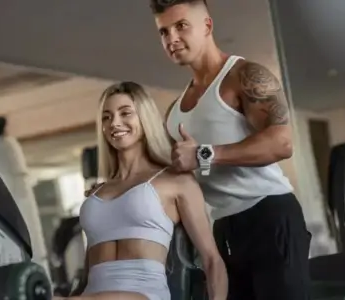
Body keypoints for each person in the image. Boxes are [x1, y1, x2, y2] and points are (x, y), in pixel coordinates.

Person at [148, 1, 312, 299]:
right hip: (223, 227)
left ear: (207, 26)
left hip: (270, 215)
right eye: (163, 31)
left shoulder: (245, 75)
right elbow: (170, 174)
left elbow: (281, 142)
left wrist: (203, 155)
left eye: (181, 26)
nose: (171, 38)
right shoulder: (175, 112)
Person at [61, 81, 227, 300]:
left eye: (125, 113)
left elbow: (212, 260)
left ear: (144, 118)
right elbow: (86, 273)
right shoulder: (96, 193)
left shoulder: (176, 181)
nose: (115, 123)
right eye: (107, 117)